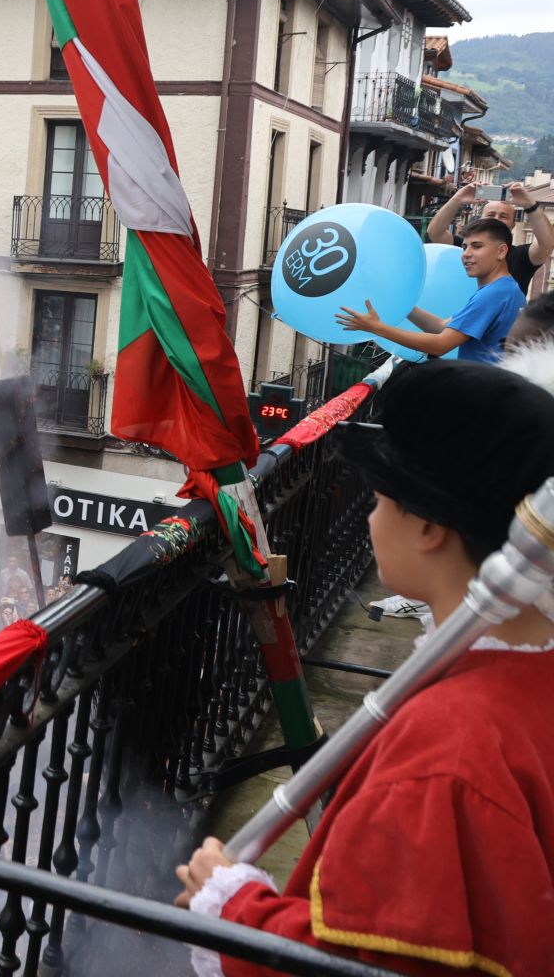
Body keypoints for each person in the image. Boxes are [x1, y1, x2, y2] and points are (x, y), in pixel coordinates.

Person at [175, 361, 554, 976]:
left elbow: (368, 960)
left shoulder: (444, 749)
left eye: (378, 500)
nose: (370, 518)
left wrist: (234, 906)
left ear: (429, 527)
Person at [337, 217, 525, 364]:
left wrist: (376, 327)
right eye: (464, 247)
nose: (466, 254)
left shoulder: (492, 294)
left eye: (477, 246)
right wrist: (404, 304)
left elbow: (441, 345)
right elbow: (442, 327)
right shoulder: (507, 288)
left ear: (501, 251)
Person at [424, 179, 552, 291]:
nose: (496, 219)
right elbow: (435, 233)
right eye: (491, 215)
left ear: (513, 225)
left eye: (503, 216)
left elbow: (546, 244)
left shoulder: (521, 256)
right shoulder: (465, 248)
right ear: (480, 219)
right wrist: (457, 199)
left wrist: (530, 204)